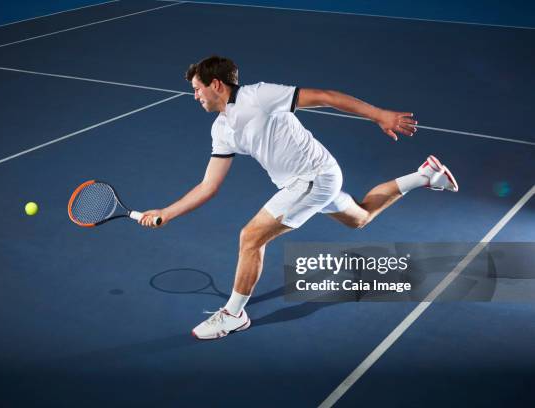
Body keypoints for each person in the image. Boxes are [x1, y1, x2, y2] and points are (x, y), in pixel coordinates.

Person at [139, 56, 458, 340]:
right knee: (360, 218)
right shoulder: (221, 129)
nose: (194, 95)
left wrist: (378, 114)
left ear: (217, 85)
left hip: (313, 177)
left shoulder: (258, 96)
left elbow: (325, 97)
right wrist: (167, 212)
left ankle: (235, 314)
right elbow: (208, 186)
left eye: (197, 88)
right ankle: (426, 175)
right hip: (307, 181)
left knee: (251, 237)